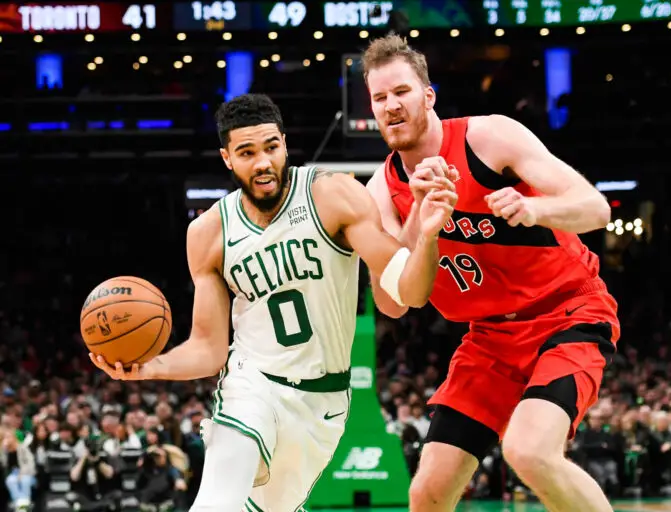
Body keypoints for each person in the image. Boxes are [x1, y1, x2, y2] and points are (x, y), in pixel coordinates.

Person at [88, 93, 457, 511]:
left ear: (284, 143)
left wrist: (428, 236)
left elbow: (409, 293)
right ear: (227, 158)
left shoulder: (332, 195)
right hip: (252, 380)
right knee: (216, 502)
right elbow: (209, 348)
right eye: (247, 152)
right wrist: (149, 367)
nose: (263, 162)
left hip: (322, 401)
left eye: (271, 147)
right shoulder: (210, 232)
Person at [363, 34, 620, 512]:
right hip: (489, 337)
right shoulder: (382, 191)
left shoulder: (488, 138)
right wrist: (422, 222)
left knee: (528, 451)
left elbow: (596, 208)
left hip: (566, 315)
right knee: (427, 492)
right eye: (380, 98)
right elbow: (395, 303)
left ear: (428, 95)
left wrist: (534, 209)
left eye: (401, 91)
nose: (391, 106)